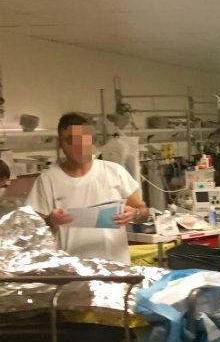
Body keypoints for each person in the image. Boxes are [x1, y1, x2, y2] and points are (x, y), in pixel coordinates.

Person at [26, 113, 149, 264]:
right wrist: (50, 219)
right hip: (70, 271)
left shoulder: (114, 172)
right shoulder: (48, 179)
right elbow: (32, 228)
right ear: (60, 143)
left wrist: (134, 213)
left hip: (116, 269)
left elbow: (143, 212)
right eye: (70, 140)